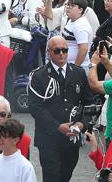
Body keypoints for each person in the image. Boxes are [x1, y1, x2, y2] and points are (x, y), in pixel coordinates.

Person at [28, 35, 96, 182]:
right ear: (49, 52)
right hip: (48, 138)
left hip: (71, 139)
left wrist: (82, 124)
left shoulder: (78, 73)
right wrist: (57, 126)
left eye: (65, 50)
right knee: (52, 177)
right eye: (57, 50)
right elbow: (35, 107)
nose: (61, 54)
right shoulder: (39, 76)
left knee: (66, 175)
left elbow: (88, 102)